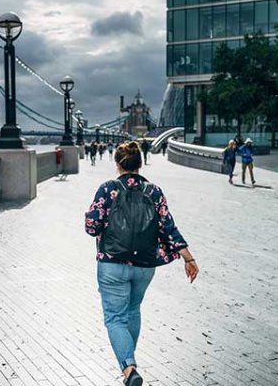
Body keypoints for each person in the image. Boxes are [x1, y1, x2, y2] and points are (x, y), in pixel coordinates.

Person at [84, 141, 199, 385]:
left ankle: (129, 368)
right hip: (145, 265)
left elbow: (91, 227)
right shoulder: (154, 192)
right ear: (141, 163)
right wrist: (188, 257)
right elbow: (168, 227)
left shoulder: (107, 189)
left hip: (112, 263)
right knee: (133, 310)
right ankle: (129, 365)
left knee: (115, 318)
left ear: (118, 164)